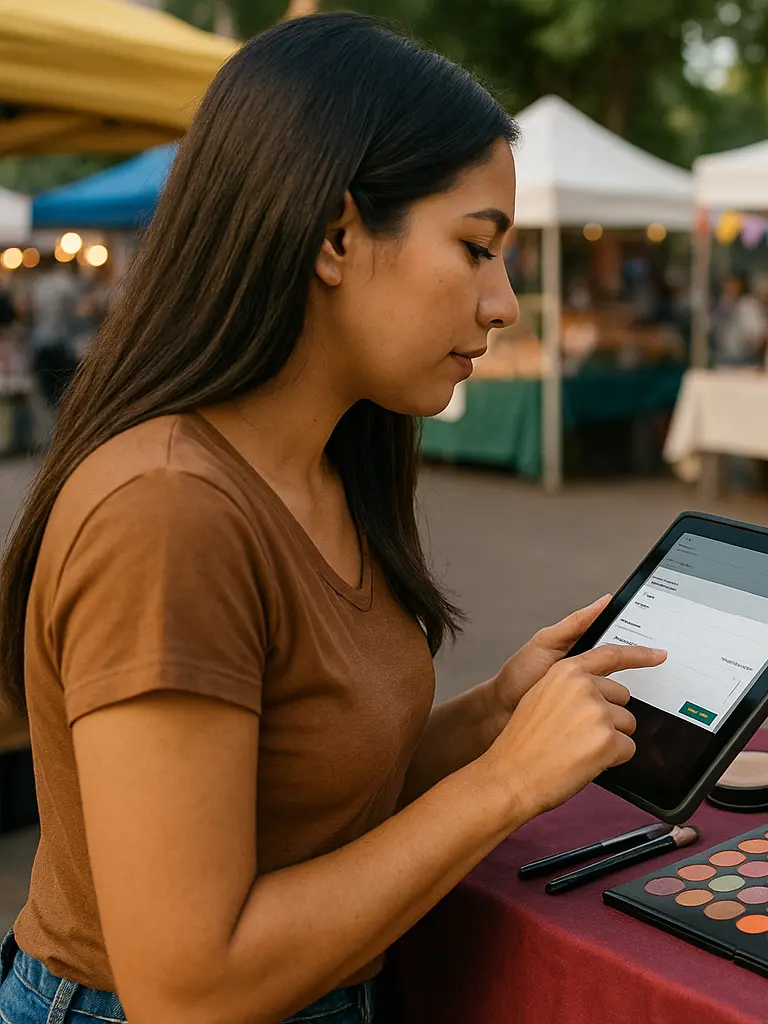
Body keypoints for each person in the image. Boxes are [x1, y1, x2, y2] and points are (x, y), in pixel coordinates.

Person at [0, 14, 663, 1023]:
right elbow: (187, 985)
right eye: (478, 248)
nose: (505, 304)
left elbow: (312, 795)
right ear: (336, 235)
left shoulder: (324, 462)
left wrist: (496, 713)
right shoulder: (170, 512)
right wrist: (507, 785)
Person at [25, 255, 84, 410]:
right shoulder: (66, 284)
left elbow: (31, 311)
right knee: (63, 392)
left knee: (48, 392)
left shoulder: (40, 284)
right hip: (61, 343)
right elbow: (76, 311)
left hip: (42, 341)